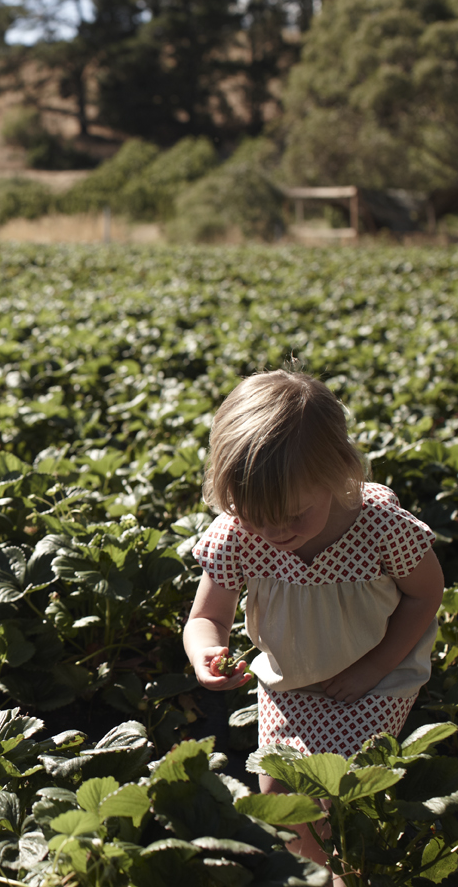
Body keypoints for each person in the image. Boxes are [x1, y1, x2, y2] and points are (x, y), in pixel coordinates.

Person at [184, 369, 444, 869]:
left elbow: (424, 597)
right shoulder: (238, 532)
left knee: (343, 799)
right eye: (256, 515)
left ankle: (350, 870)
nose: (275, 531)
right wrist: (206, 653)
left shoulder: (382, 527)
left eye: (294, 515)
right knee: (280, 795)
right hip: (289, 683)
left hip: (378, 678)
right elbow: (206, 617)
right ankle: (316, 871)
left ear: (337, 475)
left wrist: (374, 668)